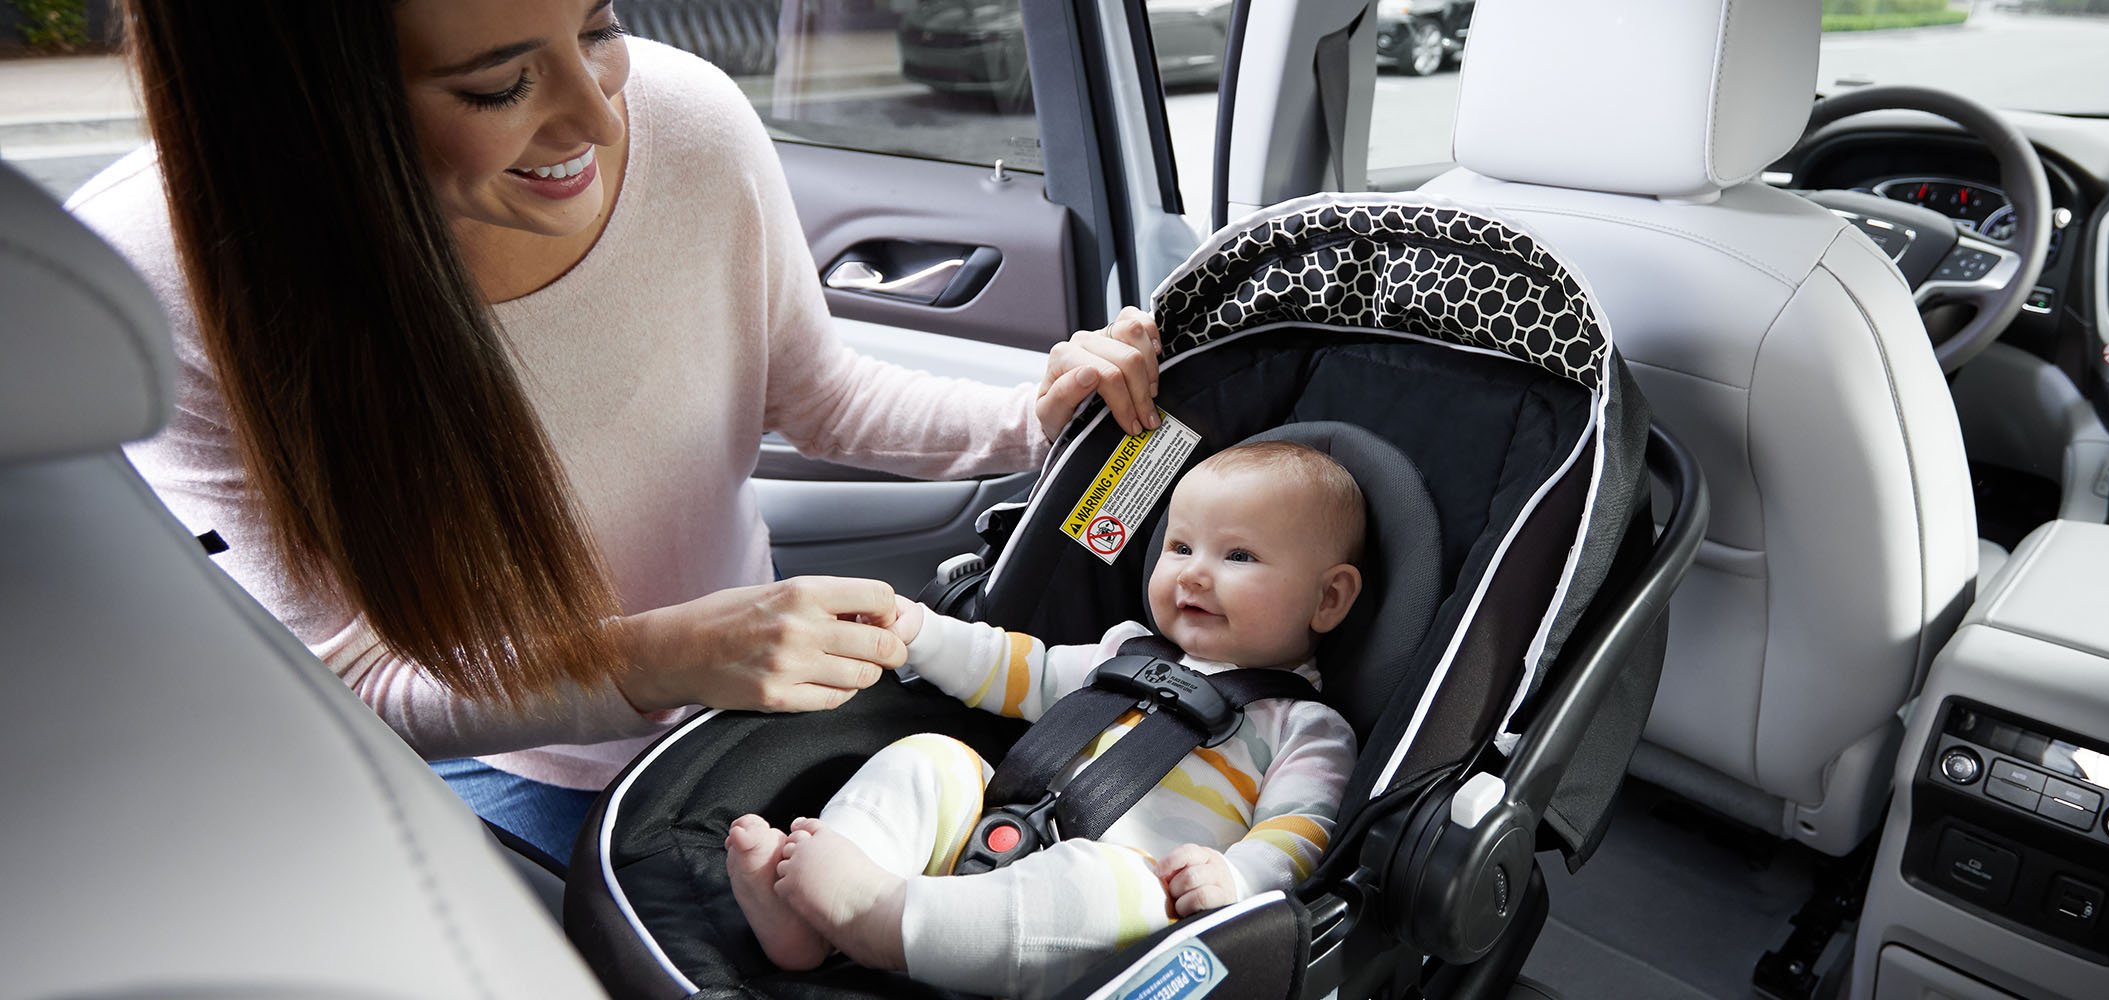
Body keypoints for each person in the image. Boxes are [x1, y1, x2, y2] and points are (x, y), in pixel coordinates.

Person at [68, 0, 1161, 863]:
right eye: (500, 84)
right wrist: (666, 652)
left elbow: (818, 394)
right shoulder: (166, 276)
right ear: (308, 108)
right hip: (496, 770)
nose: (598, 117)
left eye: (597, 26)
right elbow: (353, 683)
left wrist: (1036, 416)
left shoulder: (688, 118)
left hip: (738, 717)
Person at [723, 441, 1367, 998]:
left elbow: (1299, 832)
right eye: (1180, 545)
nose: (1194, 572)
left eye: (1240, 557)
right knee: (931, 758)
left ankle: (880, 918)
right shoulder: (1122, 652)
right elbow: (1011, 667)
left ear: (1329, 598)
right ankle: (813, 915)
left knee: (1108, 884)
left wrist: (1237, 878)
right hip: (1000, 839)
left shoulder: (1304, 725)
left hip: (1125, 919)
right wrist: (920, 631)